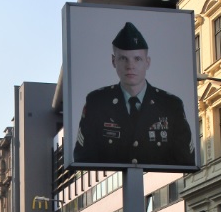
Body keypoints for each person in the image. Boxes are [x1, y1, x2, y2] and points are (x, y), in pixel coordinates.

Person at [73, 22, 194, 168]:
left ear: (147, 62)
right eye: (123, 58)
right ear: (113, 61)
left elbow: (186, 159)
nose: (130, 66)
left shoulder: (170, 105)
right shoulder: (97, 103)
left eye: (137, 59)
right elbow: (83, 157)